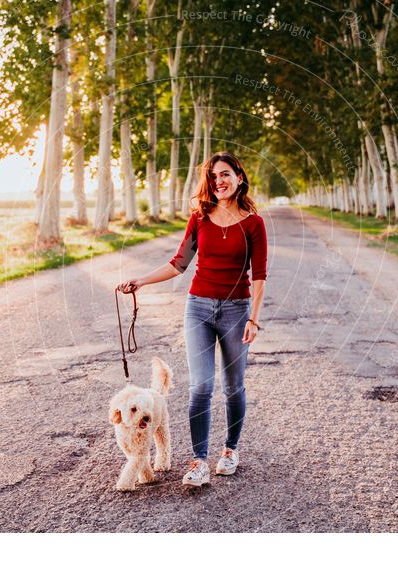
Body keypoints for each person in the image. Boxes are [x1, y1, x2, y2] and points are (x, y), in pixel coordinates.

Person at [117, 151, 268, 487]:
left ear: (240, 178)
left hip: (237, 309)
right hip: (198, 307)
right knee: (201, 386)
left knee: (233, 387)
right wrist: (140, 280)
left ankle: (230, 450)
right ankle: (199, 460)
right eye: (214, 177)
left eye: (226, 174)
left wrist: (253, 319)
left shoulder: (254, 224)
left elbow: (259, 275)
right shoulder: (200, 217)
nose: (220, 182)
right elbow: (178, 263)